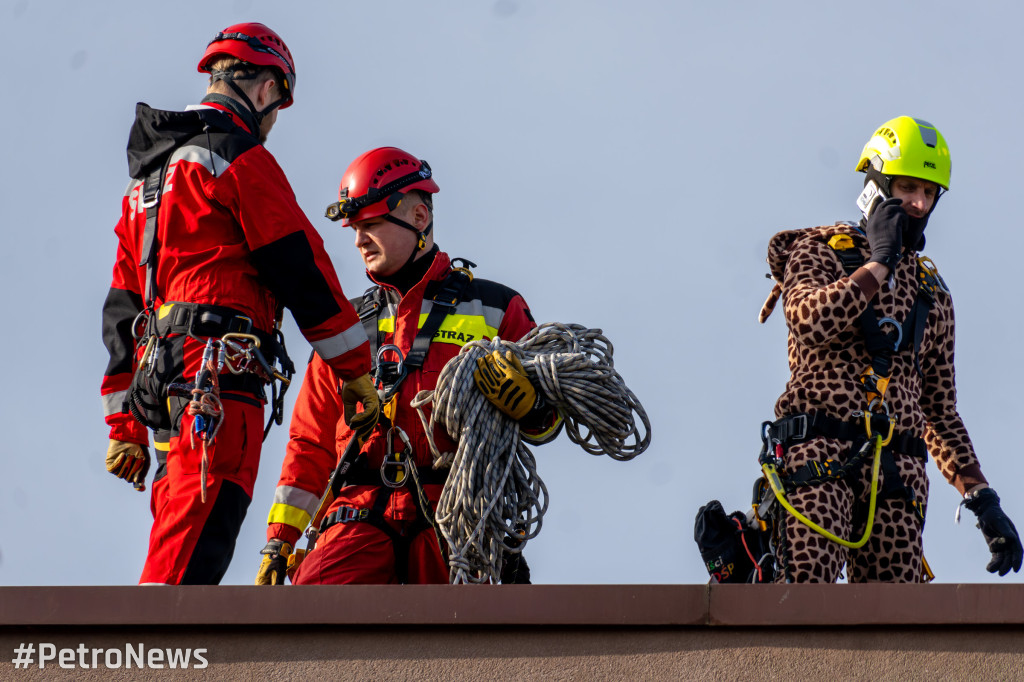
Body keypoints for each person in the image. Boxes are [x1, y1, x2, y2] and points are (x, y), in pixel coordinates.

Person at [100, 22, 379, 585]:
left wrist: (124, 424)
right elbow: (300, 264)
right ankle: (158, 660)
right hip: (217, 376)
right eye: (278, 102)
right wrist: (354, 371)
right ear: (264, 86)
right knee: (200, 527)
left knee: (177, 518)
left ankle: (157, 646)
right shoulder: (235, 155)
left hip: (163, 375)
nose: (274, 120)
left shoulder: (149, 180)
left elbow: (124, 304)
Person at [255, 146, 561, 585]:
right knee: (313, 616)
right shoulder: (345, 328)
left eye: (371, 225)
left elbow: (547, 425)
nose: (359, 240)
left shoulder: (497, 309)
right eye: (355, 228)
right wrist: (280, 540)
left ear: (419, 218)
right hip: (357, 514)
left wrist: (530, 406)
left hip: (458, 514)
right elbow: (310, 442)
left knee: (467, 641)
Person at [757, 115, 1022, 583]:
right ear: (875, 185)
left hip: (898, 473)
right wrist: (879, 262)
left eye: (930, 193)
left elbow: (938, 412)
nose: (919, 204)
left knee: (894, 625)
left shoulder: (931, 292)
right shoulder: (819, 251)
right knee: (800, 597)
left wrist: (982, 499)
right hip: (818, 454)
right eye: (906, 188)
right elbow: (810, 321)